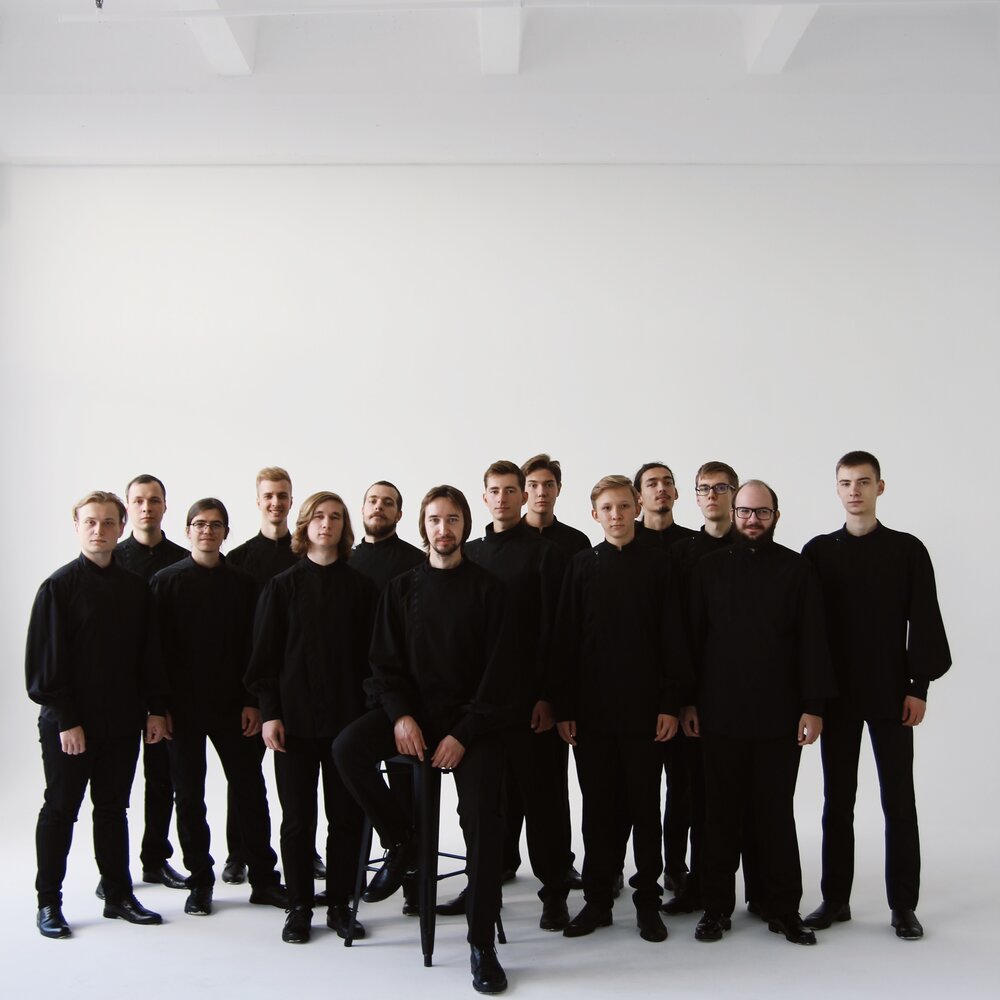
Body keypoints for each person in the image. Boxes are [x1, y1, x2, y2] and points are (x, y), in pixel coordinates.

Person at [333, 486, 514, 995]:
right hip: (414, 718)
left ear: (465, 525)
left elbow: (502, 677)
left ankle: (481, 944)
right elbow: (383, 665)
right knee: (348, 749)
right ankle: (403, 841)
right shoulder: (400, 589)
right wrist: (400, 716)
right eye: (435, 519)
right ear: (423, 526)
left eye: (452, 519)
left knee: (483, 819)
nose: (443, 528)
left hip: (474, 725)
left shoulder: (491, 591)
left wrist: (463, 733)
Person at [802, 451, 951, 941]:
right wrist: (814, 702)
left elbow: (924, 618)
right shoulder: (818, 552)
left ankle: (903, 905)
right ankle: (835, 899)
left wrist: (918, 687)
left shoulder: (907, 550)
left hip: (891, 695)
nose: (854, 491)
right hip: (837, 698)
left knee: (899, 800)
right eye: (846, 482)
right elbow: (809, 632)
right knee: (836, 801)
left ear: (879, 488)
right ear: (836, 488)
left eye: (863, 482)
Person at [685, 480, 835, 946]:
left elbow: (813, 639)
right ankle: (715, 908)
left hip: (779, 715)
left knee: (774, 814)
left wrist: (813, 707)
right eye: (746, 512)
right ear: (733, 513)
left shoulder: (797, 569)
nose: (753, 520)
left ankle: (782, 906)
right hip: (719, 714)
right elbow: (692, 641)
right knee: (719, 815)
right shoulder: (708, 568)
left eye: (762, 512)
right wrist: (688, 702)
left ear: (776, 516)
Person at [27, 491, 168, 938]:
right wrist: (68, 720)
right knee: (60, 810)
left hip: (122, 721)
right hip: (70, 725)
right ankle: (48, 903)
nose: (99, 530)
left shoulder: (135, 588)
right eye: (90, 522)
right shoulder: (58, 587)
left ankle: (118, 895)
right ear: (77, 526)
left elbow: (148, 656)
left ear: (121, 528)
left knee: (112, 809)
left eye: (108, 522)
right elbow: (44, 665)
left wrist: (155, 710)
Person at [553, 475, 686, 944]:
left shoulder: (660, 564)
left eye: (623, 506)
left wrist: (670, 704)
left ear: (636, 509)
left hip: (646, 713)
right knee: (598, 811)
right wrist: (565, 707)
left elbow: (673, 637)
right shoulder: (581, 565)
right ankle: (596, 901)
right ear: (595, 515)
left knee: (646, 809)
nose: (616, 515)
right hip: (591, 714)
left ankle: (647, 902)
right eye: (607, 508)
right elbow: (565, 639)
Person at [246, 492, 378, 944]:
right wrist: (270, 714)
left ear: (345, 528)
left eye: (336, 517)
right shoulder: (281, 587)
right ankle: (299, 905)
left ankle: (340, 903)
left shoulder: (362, 589)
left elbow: (374, 661)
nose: (327, 523)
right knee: (297, 821)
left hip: (347, 727)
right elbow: (264, 659)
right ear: (304, 525)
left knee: (345, 818)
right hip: (294, 725)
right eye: (319, 516)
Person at [150, 498, 285, 917]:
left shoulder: (244, 584)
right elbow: (153, 651)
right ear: (188, 530)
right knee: (189, 797)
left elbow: (256, 648)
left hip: (234, 707)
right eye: (199, 524)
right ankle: (200, 880)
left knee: (250, 792)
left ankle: (264, 878)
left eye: (215, 525)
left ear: (226, 532)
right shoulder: (164, 582)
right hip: (181, 711)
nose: (207, 531)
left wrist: (253, 702)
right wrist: (158, 707)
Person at [463, 460, 572, 931]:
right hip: (484, 705)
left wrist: (549, 697)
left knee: (544, 802)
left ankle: (555, 893)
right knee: (486, 804)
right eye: (495, 490)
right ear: (484, 497)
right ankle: (482, 887)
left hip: (532, 704)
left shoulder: (546, 553)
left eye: (512, 490)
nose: (503, 498)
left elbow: (556, 630)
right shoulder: (469, 553)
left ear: (523, 497)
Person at [227, 466, 319, 883]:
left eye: (283, 495)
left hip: (297, 690)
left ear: (291, 500)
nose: (276, 503)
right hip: (253, 689)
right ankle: (239, 853)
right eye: (269, 496)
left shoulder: (305, 556)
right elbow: (236, 634)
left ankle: (306, 853)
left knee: (299, 783)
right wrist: (251, 698)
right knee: (244, 777)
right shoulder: (239, 559)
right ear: (258, 500)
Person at [661, 461, 739, 915]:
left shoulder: (751, 544)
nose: (712, 495)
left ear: (734, 494)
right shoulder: (682, 553)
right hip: (697, 699)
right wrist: (685, 699)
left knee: (737, 797)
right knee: (691, 794)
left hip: (745, 696)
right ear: (694, 496)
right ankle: (688, 881)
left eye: (721, 488)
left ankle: (745, 888)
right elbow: (678, 633)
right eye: (704, 489)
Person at [350, 480, 426, 916]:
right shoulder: (345, 559)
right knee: (350, 779)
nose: (379, 507)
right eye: (373, 500)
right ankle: (363, 870)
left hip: (403, 696)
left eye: (389, 503)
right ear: (362, 508)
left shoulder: (415, 564)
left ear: (400, 514)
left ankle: (414, 881)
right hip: (355, 693)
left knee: (406, 787)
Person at [114, 474, 189, 896]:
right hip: (121, 689)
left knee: (163, 780)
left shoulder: (181, 558)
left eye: (154, 500)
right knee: (115, 789)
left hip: (166, 689)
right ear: (128, 508)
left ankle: (155, 860)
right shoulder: (112, 558)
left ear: (165, 506)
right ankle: (113, 871)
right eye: (139, 500)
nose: (147, 507)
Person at [632, 462, 696, 549]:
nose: (662, 488)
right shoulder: (625, 542)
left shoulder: (694, 542)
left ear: (675, 493)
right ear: (638, 497)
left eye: (668, 483)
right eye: (652, 484)